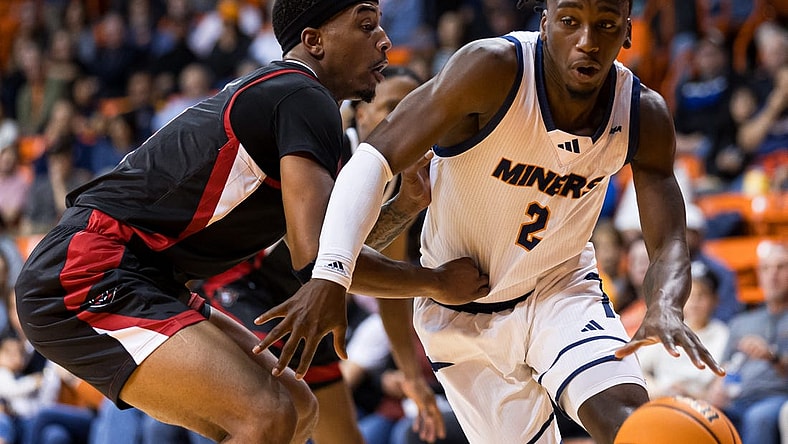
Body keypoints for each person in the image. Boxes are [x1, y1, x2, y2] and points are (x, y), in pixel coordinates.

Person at [14, 1, 488, 442]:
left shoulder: (297, 105)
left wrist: (404, 210)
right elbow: (320, 260)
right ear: (315, 41)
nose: (384, 39)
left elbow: (328, 258)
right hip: (92, 265)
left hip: (153, 274)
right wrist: (438, 281)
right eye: (366, 25)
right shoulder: (305, 97)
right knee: (266, 412)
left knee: (299, 408)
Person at [255, 0, 726, 443]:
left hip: (559, 289)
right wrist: (332, 273)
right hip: (463, 314)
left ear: (627, 31)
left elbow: (668, 241)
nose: (588, 40)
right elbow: (373, 158)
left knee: (625, 419)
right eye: (570, 21)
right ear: (545, 22)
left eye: (606, 23)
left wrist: (665, 304)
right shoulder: (493, 69)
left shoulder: (643, 113)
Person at [707, 239, 788, 444]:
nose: (773, 275)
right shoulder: (741, 323)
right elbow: (724, 367)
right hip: (737, 398)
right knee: (700, 413)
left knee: (758, 417)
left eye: (781, 267)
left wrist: (772, 357)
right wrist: (716, 390)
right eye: (766, 269)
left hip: (776, 396)